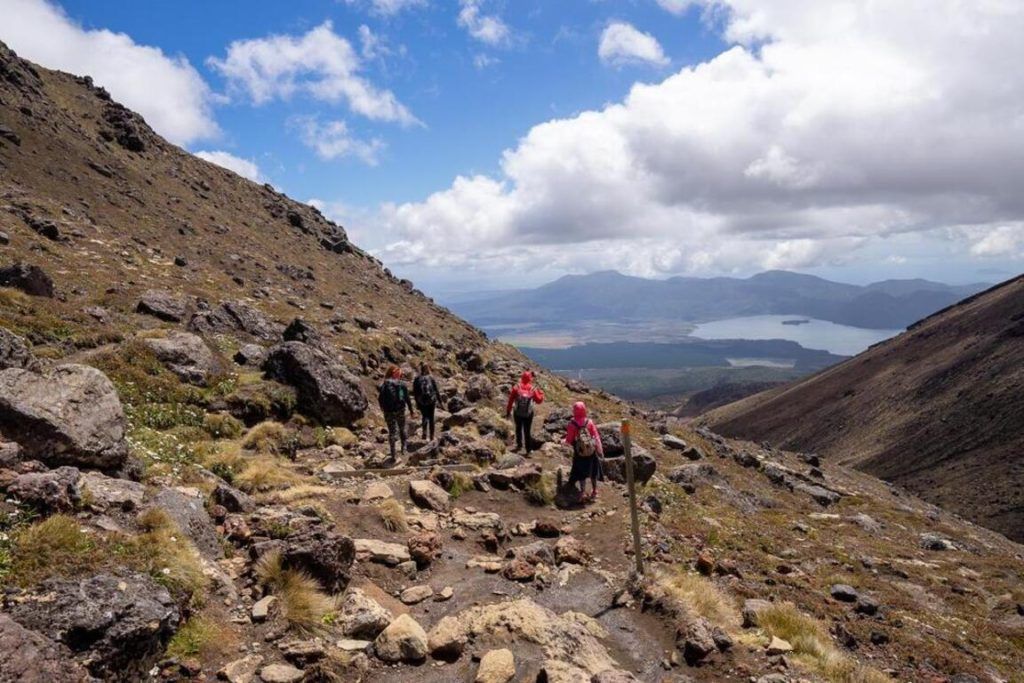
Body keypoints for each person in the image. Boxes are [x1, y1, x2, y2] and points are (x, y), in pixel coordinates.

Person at [565, 401, 604, 502]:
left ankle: (582, 492)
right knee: (593, 472)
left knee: (581, 473)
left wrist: (563, 443)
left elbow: (569, 440)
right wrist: (599, 450)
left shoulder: (572, 424)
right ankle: (594, 491)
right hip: (591, 451)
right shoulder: (589, 422)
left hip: (580, 452)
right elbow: (596, 437)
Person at [378, 365, 415, 460]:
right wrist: (411, 411)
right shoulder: (401, 384)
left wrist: (383, 408)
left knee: (392, 432)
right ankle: (403, 448)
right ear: (396, 373)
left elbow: (380, 399)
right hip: (400, 410)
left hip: (388, 412)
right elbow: (405, 398)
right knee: (402, 428)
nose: (401, 375)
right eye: (400, 373)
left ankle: (393, 452)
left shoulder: (384, 384)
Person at [505, 370, 545, 454]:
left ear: (522, 378)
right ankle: (528, 449)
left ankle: (519, 445)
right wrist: (541, 394)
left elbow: (510, 400)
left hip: (517, 412)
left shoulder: (516, 387)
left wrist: (508, 411)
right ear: (530, 379)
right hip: (528, 414)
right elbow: (539, 401)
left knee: (518, 428)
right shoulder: (532, 389)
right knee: (527, 431)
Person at [412, 362, 441, 440]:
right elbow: (436, 390)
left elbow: (414, 392)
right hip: (431, 400)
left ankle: (424, 432)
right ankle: (431, 436)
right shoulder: (431, 378)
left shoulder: (417, 379)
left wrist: (417, 402)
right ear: (428, 369)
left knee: (424, 416)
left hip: (421, 401)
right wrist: (440, 402)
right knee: (431, 418)